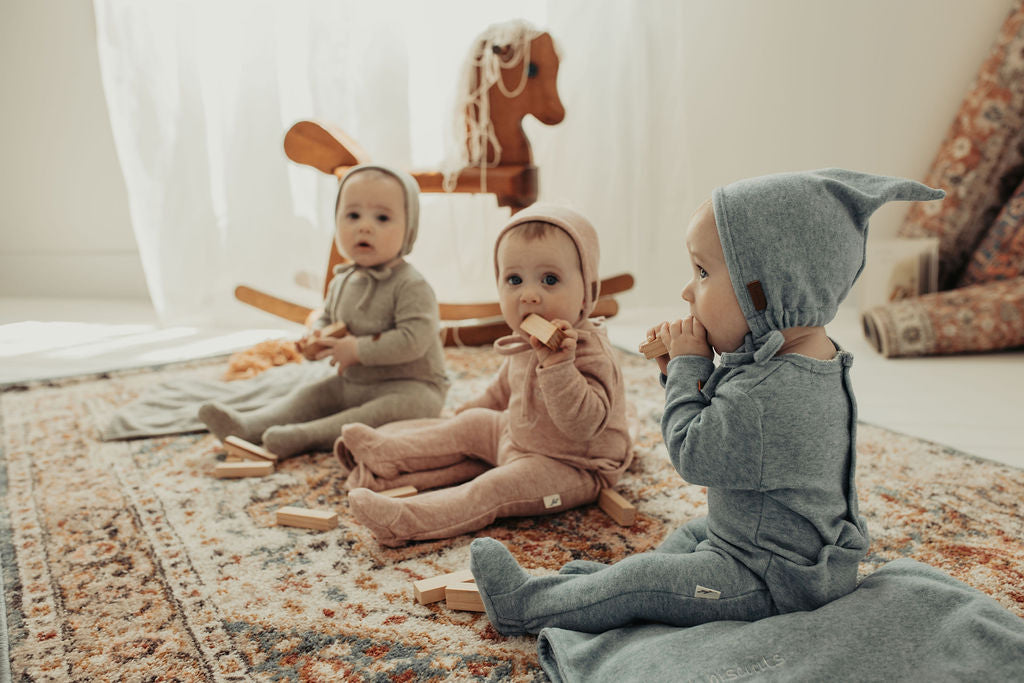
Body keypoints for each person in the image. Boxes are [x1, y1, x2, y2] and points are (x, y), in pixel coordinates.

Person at [466, 168, 945, 636]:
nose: (686, 291)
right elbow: (730, 417)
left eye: (701, 272)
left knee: (643, 581)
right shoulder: (803, 362)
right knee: (688, 539)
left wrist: (690, 366)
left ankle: (525, 607)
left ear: (762, 291)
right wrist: (675, 369)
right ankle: (601, 590)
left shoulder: (765, 397)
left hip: (770, 580)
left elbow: (692, 453)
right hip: (776, 547)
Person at [334, 204, 632, 546]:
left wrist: (559, 367)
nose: (529, 295)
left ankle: (406, 521)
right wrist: (473, 411)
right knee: (473, 421)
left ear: (587, 294)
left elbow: (584, 424)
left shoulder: (588, 352)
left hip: (573, 465)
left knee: (492, 488)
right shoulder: (526, 340)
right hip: (517, 437)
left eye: (550, 280)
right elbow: (504, 388)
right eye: (514, 280)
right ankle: (386, 454)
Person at [198, 164, 448, 458]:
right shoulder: (343, 280)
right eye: (353, 215)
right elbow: (331, 320)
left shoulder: (411, 285)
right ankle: (248, 425)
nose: (364, 226)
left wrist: (357, 350)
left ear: (409, 230)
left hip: (413, 388)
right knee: (310, 394)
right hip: (356, 381)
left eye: (382, 217)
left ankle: (306, 436)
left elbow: (413, 339)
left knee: (377, 413)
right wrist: (316, 338)